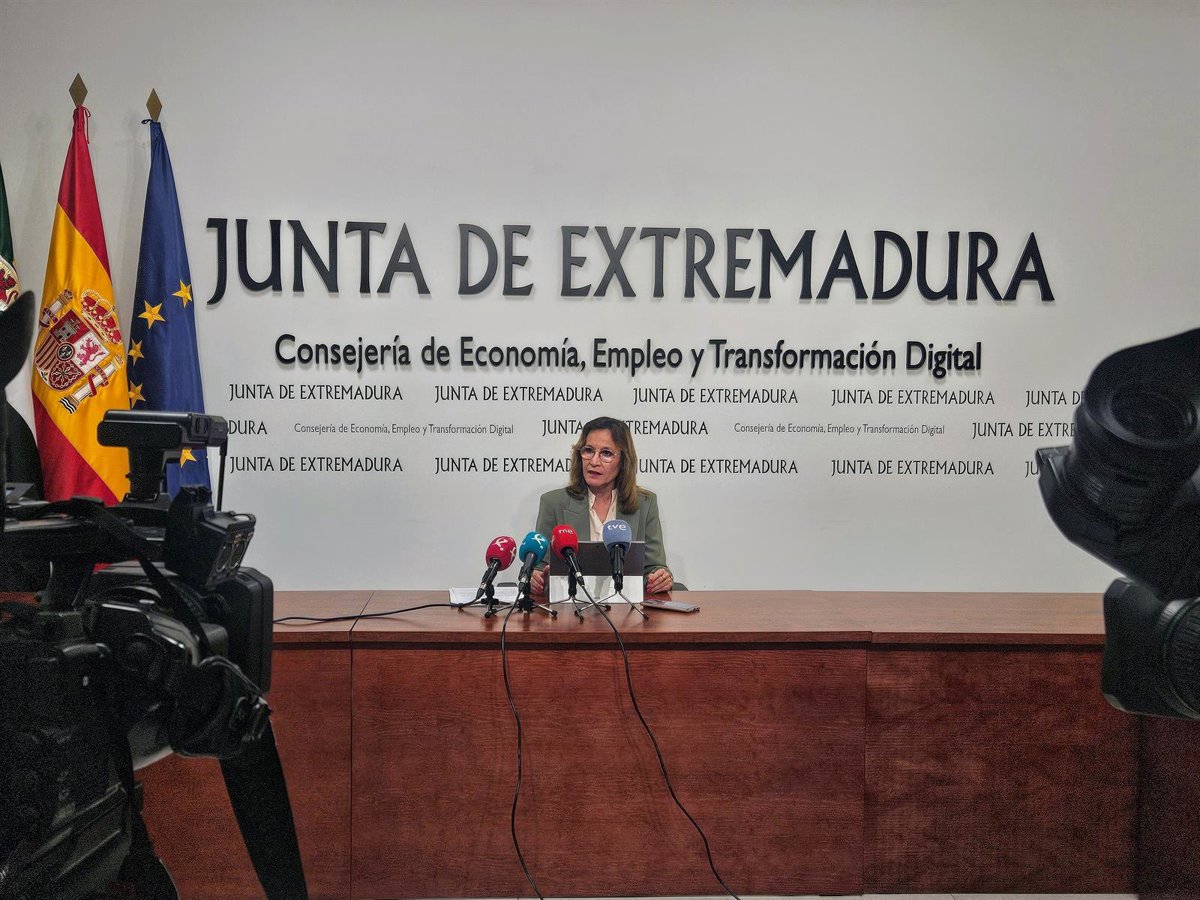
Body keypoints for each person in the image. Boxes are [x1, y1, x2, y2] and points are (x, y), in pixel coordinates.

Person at [531, 416, 673, 595]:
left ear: (623, 460)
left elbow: (653, 567)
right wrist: (536, 578)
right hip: (570, 605)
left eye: (606, 453)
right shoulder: (553, 503)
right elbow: (540, 567)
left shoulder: (645, 504)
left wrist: (660, 578)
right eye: (588, 450)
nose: (594, 461)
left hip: (626, 606)